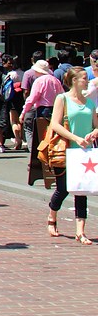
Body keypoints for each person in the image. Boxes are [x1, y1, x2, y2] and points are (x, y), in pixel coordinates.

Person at [45, 67, 98, 243]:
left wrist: (93, 133)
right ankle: (52, 215)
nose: (87, 81)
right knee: (63, 189)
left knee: (81, 190)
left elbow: (96, 125)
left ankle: (80, 232)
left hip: (84, 153)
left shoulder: (90, 103)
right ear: (74, 81)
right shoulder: (63, 99)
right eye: (84, 78)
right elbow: (55, 124)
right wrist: (75, 138)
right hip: (66, 150)